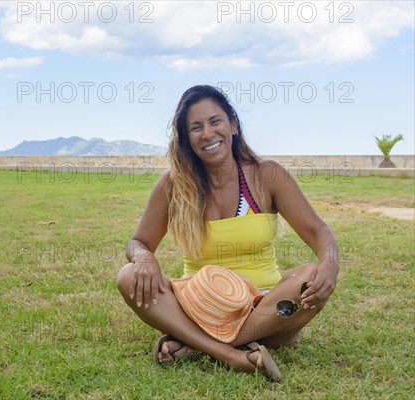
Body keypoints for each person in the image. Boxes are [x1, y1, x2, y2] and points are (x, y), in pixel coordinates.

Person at [116, 85, 339, 381]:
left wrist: (330, 265)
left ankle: (196, 344)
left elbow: (318, 230)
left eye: (215, 121)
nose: (208, 133)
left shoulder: (266, 175)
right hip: (198, 307)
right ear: (186, 139)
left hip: (264, 308)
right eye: (195, 127)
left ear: (233, 125)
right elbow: (139, 242)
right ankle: (232, 354)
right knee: (128, 276)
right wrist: (143, 257)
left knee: (310, 276)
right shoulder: (173, 185)